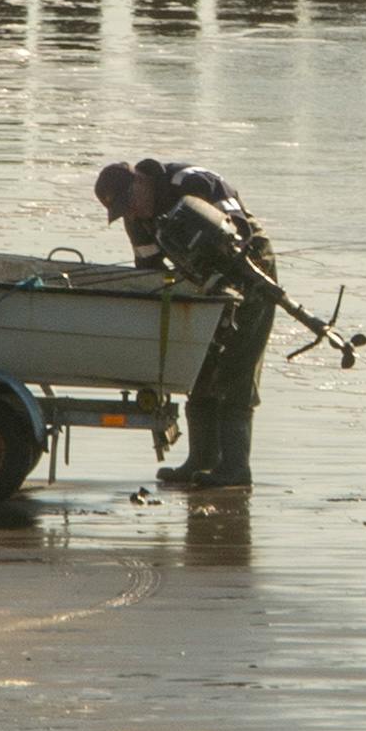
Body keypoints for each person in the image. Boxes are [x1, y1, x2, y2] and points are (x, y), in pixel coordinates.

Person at [97, 153, 283, 493]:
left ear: (141, 181)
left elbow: (237, 228)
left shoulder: (192, 182)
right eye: (122, 211)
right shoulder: (137, 219)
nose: (131, 213)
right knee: (199, 366)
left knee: (236, 368)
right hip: (200, 283)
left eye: (130, 203)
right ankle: (201, 460)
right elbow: (150, 272)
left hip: (251, 274)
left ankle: (235, 468)